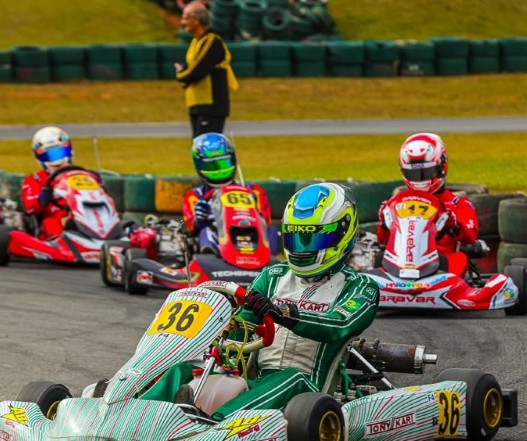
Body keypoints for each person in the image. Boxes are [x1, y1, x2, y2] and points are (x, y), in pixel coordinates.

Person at [141, 182, 380, 420]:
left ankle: (217, 422)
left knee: (290, 377)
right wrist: (221, 330)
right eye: (296, 237)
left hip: (307, 393)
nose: (302, 248)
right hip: (256, 382)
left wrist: (284, 313)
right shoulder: (273, 276)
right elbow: (244, 322)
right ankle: (137, 413)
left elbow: (339, 324)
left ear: (342, 234)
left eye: (312, 238)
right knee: (181, 370)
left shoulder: (360, 287)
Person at [377, 133, 485, 279]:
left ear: (442, 167)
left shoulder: (458, 204)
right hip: (399, 264)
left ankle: (448, 287)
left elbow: (470, 237)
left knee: (459, 258)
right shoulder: (396, 203)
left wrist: (453, 225)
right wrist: (383, 223)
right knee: (376, 259)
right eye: (414, 174)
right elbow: (383, 241)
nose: (420, 179)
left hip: (441, 264)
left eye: (426, 173)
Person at [181, 132, 272, 253]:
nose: (219, 172)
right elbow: (187, 228)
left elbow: (266, 220)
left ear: (233, 160)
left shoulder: (254, 191)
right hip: (219, 241)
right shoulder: (195, 197)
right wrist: (198, 220)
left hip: (251, 233)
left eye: (224, 164)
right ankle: (209, 258)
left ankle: (272, 261)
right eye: (211, 167)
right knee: (205, 232)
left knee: (272, 232)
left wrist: (255, 212)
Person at [21, 126, 101, 240]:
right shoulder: (35, 179)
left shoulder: (83, 175)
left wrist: (96, 182)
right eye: (50, 155)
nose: (56, 161)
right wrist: (43, 198)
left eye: (59, 153)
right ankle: (61, 241)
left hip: (85, 214)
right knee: (51, 222)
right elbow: (30, 208)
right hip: (54, 221)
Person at [175, 1, 239, 138]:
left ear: (197, 20)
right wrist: (184, 73)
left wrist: (181, 76)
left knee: (208, 148)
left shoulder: (211, 41)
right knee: (198, 148)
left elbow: (198, 70)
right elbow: (190, 67)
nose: (182, 22)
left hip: (211, 105)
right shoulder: (195, 42)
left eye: (186, 18)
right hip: (197, 103)